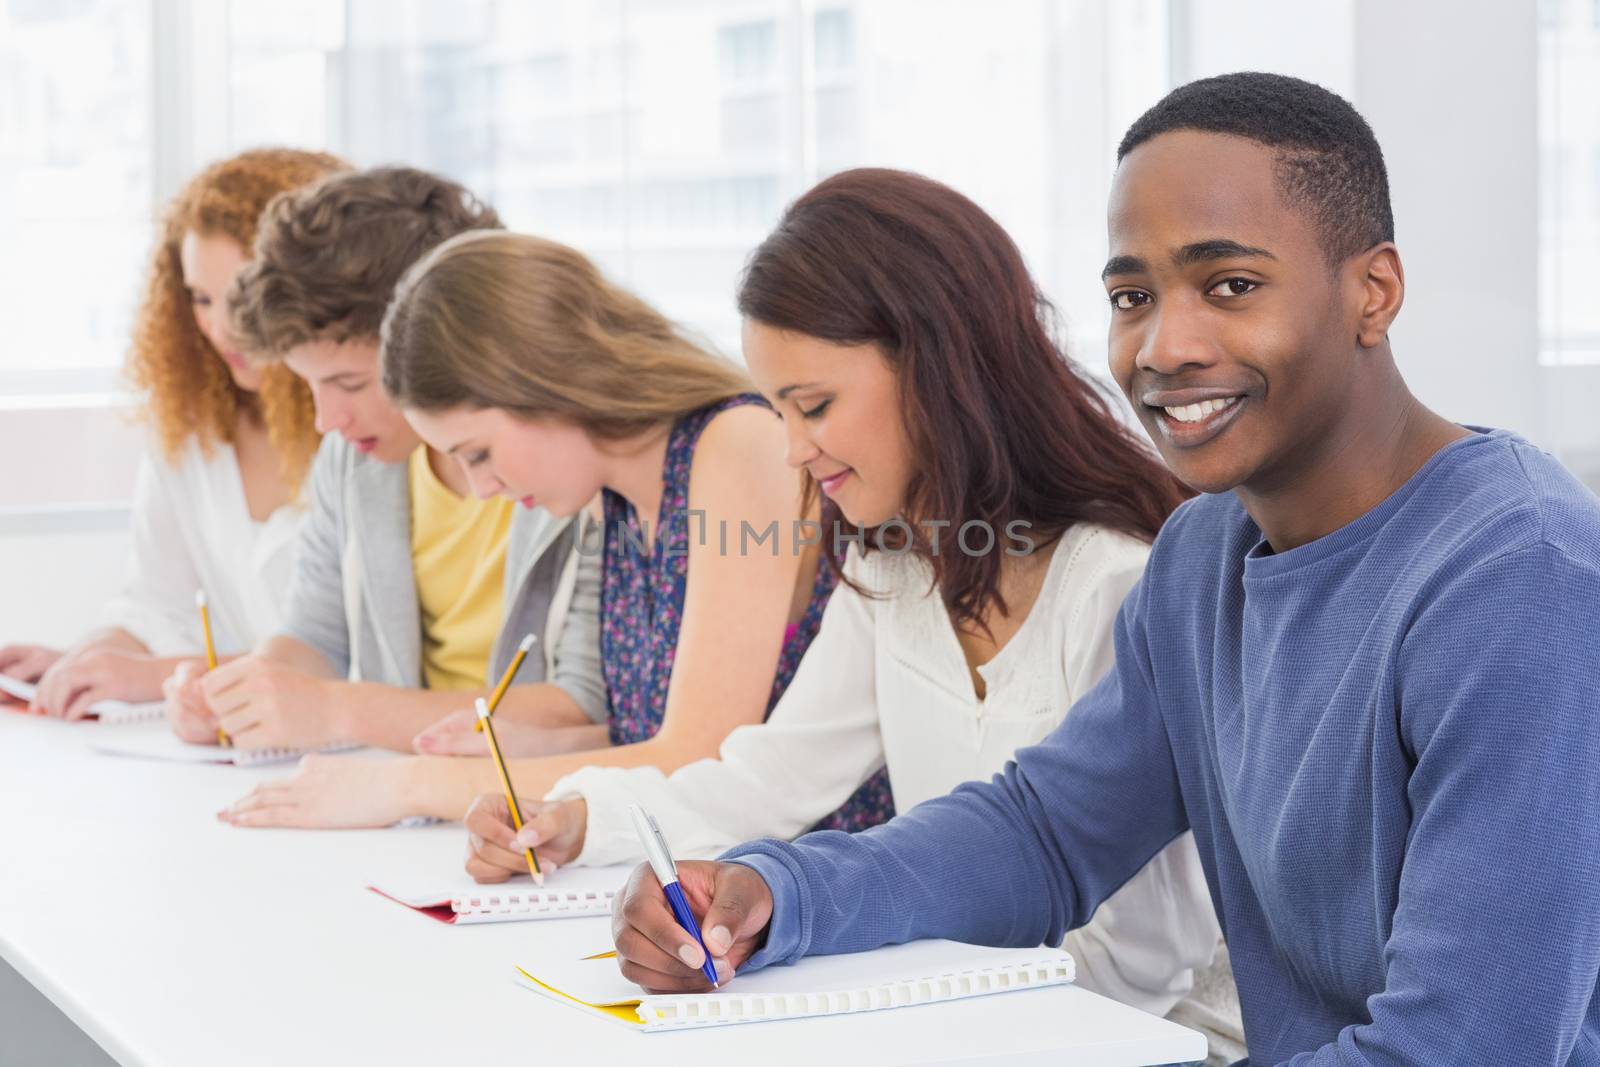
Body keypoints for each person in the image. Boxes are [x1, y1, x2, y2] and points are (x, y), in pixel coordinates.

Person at [609, 72, 1600, 1066]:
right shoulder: (1203, 554)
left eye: (1231, 285)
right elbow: (1045, 832)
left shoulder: (1518, 574)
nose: (1164, 345)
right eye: (1131, 296)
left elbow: (1467, 1045)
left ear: (1371, 292)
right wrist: (776, 892)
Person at [457, 167, 1242, 1053]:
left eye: (816, 405)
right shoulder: (893, 565)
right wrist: (582, 818)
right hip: (968, 1015)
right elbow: (774, 777)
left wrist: (869, 961)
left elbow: (1143, 962)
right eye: (781, 411)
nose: (796, 450)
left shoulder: (1121, 583)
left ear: (939, 366)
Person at [219, 228, 892, 832]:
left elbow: (699, 758)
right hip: (704, 865)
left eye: (478, 452)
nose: (483, 487)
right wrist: (544, 749)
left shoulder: (736, 445)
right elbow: (661, 734)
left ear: (543, 382)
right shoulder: (616, 498)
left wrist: (410, 783)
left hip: (814, 882)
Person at [163, 168, 606, 782]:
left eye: (347, 384)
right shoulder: (357, 456)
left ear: (437, 340)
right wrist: (246, 694)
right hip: (410, 801)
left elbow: (580, 709)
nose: (326, 419)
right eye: (310, 384)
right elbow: (313, 636)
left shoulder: (571, 464)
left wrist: (342, 710)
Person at [0, 148, 346, 719]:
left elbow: (347, 657)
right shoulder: (190, 429)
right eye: (200, 299)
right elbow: (157, 606)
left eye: (241, 296)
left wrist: (154, 676)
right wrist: (82, 661)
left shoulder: (361, 433)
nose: (219, 326)